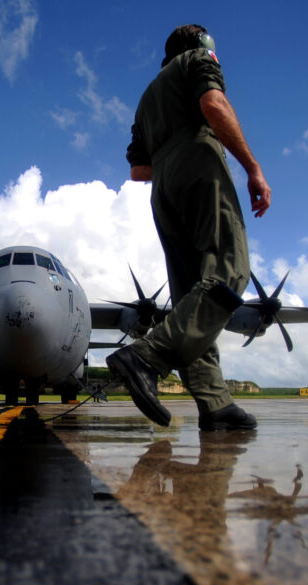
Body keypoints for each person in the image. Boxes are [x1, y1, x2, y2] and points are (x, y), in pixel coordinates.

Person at [107, 24, 270, 431]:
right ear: (202, 45)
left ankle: (214, 402)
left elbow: (137, 170)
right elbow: (214, 105)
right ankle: (147, 356)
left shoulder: (146, 99)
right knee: (229, 270)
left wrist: (169, 159)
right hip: (200, 163)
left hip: (162, 187)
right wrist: (252, 167)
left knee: (189, 296)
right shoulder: (199, 60)